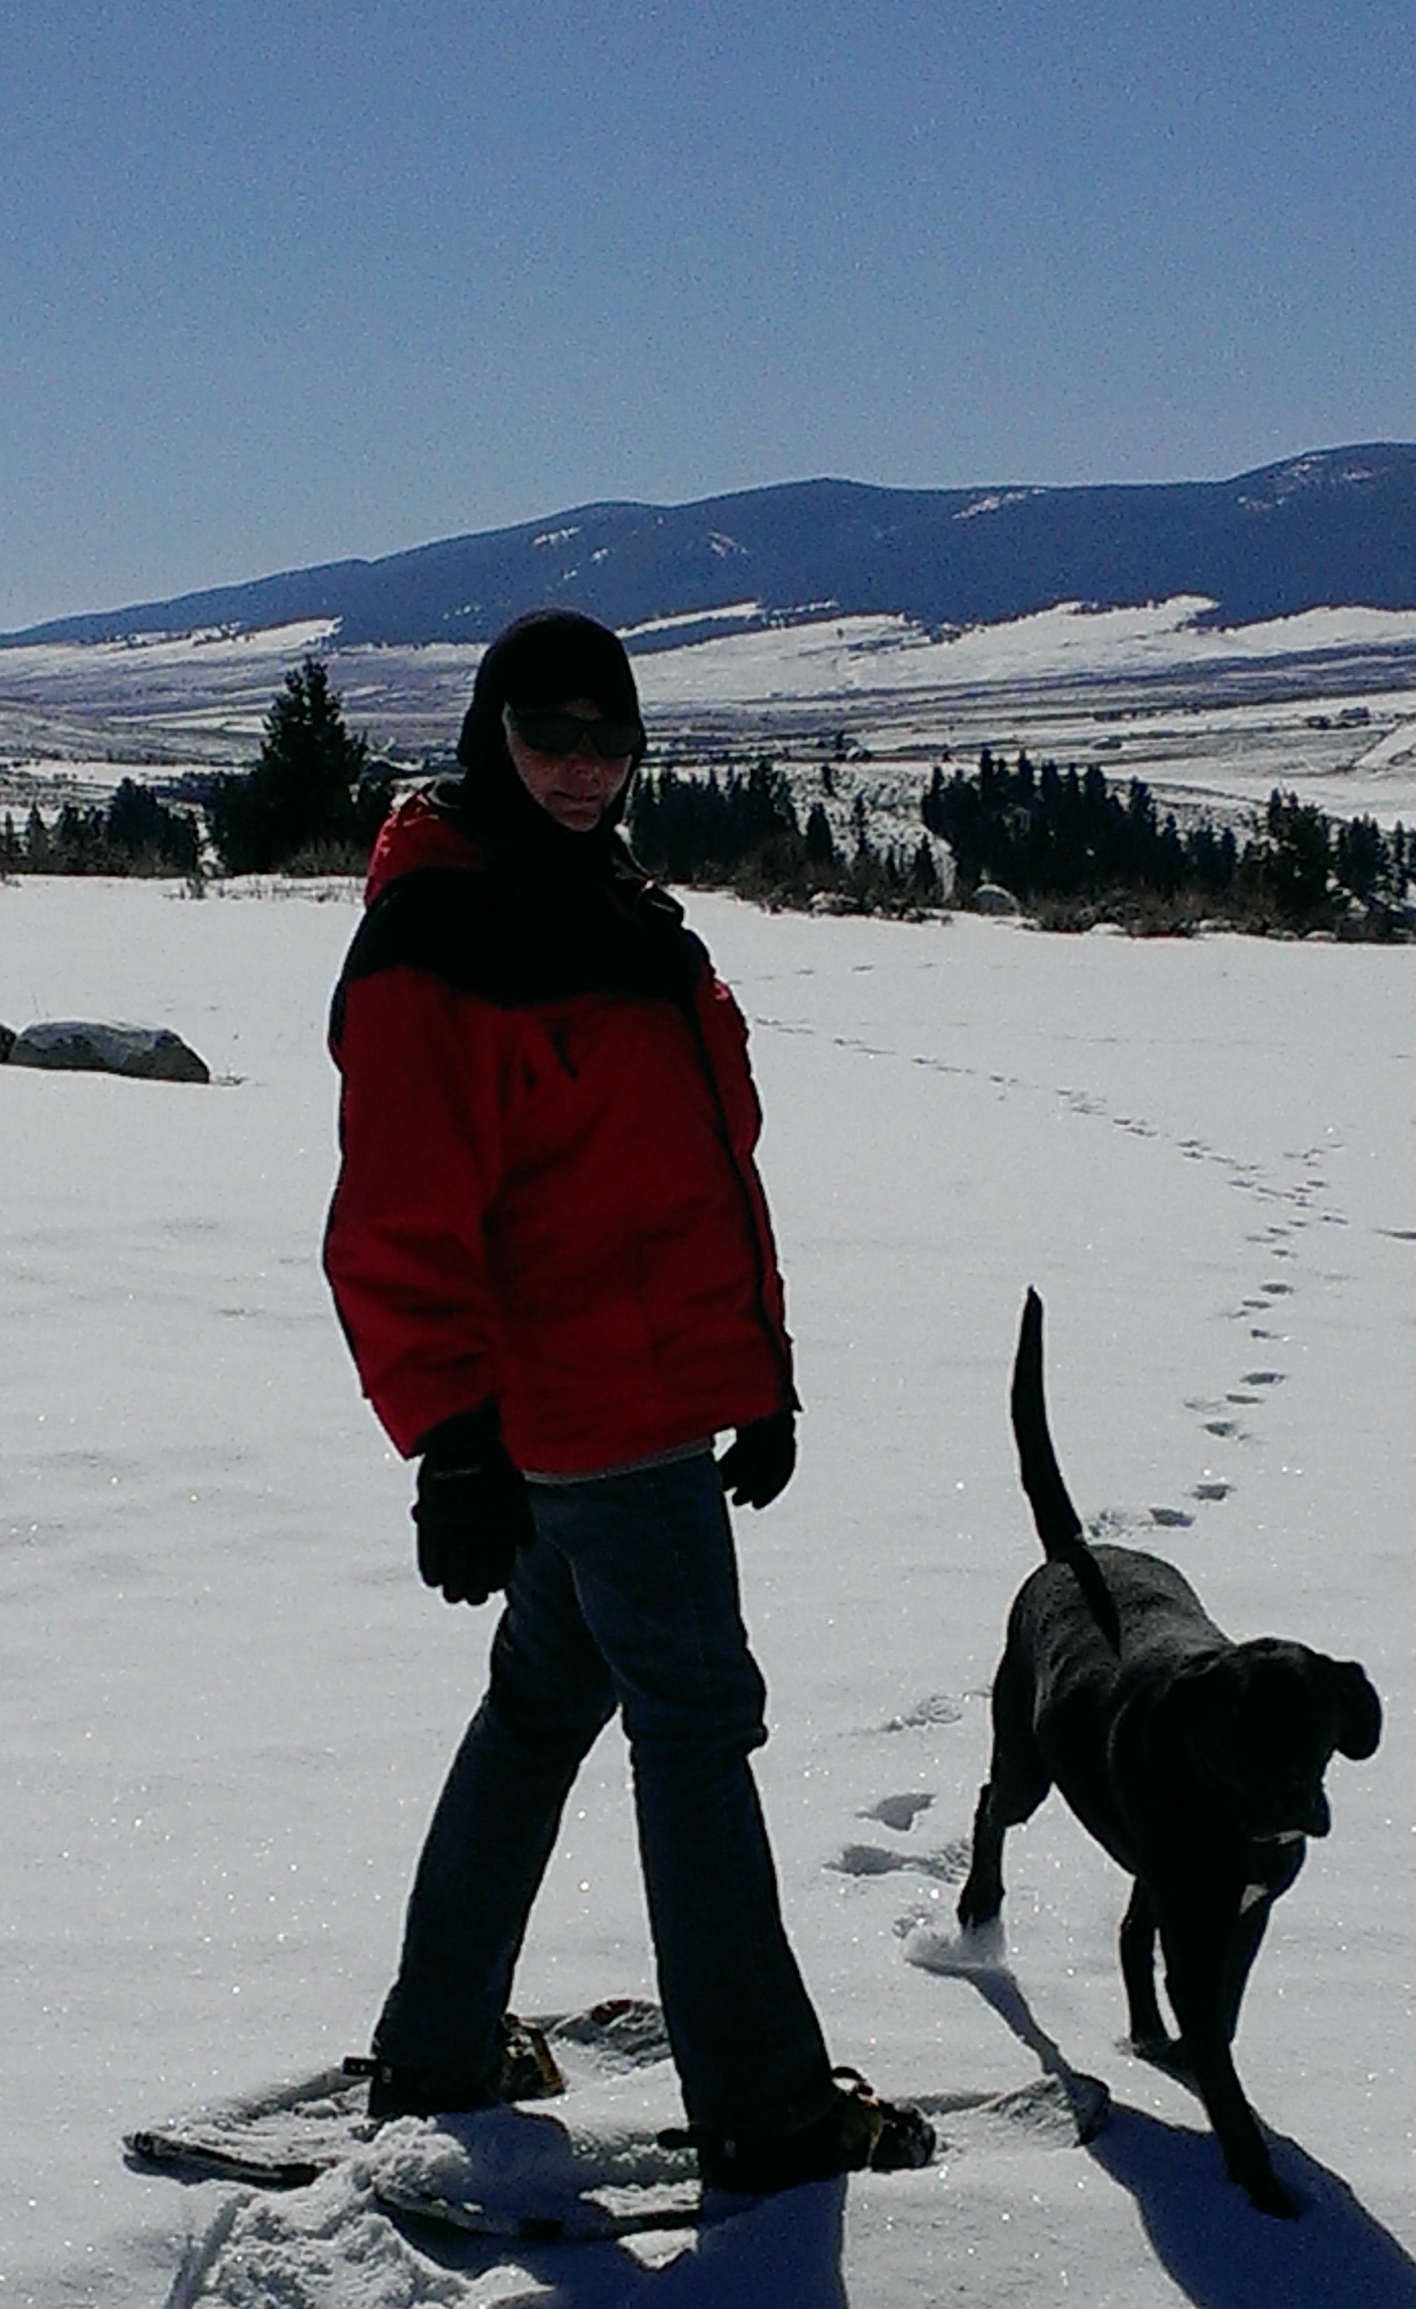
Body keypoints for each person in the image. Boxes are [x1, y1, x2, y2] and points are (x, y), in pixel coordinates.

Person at [323, 610, 931, 2195]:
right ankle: (768, 2112)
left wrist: (759, 1376)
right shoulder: (442, 938)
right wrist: (453, 1442)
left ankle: (440, 2043)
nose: (583, 767)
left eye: (611, 739)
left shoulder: (606, 905)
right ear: (491, 736)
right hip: (588, 1420)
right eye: (550, 735)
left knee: (546, 1706)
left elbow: (693, 1173)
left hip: (646, 1393)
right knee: (696, 1729)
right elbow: (398, 1211)